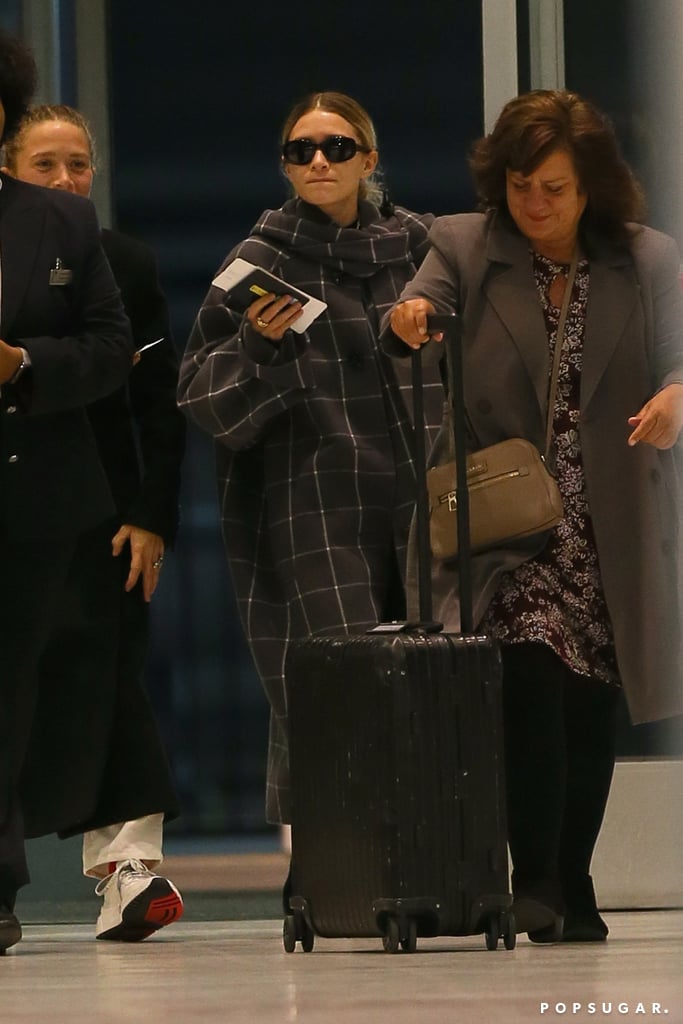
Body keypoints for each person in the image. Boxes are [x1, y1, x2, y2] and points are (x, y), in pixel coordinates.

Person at [384, 89, 683, 943]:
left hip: (610, 517)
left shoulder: (645, 257)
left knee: (589, 700)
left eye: (552, 186)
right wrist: (408, 321)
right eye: (520, 186)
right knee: (529, 672)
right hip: (508, 517)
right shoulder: (463, 244)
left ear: (589, 185)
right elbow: (414, 308)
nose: (535, 204)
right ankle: (537, 880)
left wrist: (670, 399)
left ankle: (572, 883)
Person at [177, 91, 443, 836]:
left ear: (370, 158)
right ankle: (345, 870)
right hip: (316, 496)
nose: (319, 161)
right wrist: (259, 347)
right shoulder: (258, 262)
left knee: (440, 671)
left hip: (424, 488)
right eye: (301, 150)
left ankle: (437, 856)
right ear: (285, 167)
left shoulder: (423, 248)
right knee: (341, 681)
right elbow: (202, 399)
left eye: (336, 146)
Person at [2, 103, 187, 942]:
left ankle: (130, 868)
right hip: (27, 498)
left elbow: (158, 402)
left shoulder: (120, 261)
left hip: (104, 513)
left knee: (110, 686)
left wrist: (151, 516)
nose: (69, 178)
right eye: (47, 164)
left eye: (80, 163)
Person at [0, 31, 141, 953]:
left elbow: (106, 350)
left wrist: (20, 364)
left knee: (7, 694)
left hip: (31, 498)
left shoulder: (60, 223)